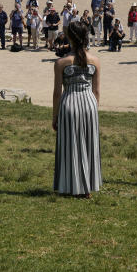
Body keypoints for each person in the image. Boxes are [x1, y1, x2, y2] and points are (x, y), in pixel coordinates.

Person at [52, 22, 101, 198]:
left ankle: (71, 184)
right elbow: (96, 91)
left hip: (70, 102)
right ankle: (87, 187)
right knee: (88, 143)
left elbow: (57, 93)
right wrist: (94, 109)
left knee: (71, 143)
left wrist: (54, 116)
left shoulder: (61, 62)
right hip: (89, 103)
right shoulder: (95, 60)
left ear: (70, 38)